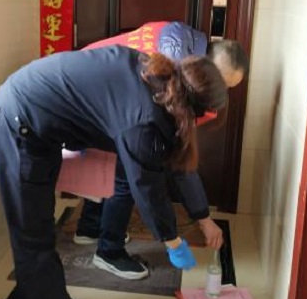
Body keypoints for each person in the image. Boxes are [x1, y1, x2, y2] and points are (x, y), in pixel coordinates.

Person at [0, 45, 228, 299]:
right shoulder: (144, 118)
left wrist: (200, 217)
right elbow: (147, 189)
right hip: (18, 122)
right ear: (193, 112)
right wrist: (173, 241)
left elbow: (173, 162)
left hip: (38, 122)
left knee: (42, 228)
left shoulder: (160, 77)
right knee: (31, 236)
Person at [71, 22, 249, 280]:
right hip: (87, 98)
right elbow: (178, 160)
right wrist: (201, 220)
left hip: (86, 81)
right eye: (221, 83)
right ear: (206, 69)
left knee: (112, 158)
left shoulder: (178, 35)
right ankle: (109, 251)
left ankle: (90, 228)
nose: (221, 93)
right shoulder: (176, 79)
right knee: (128, 177)